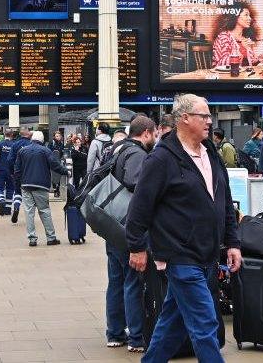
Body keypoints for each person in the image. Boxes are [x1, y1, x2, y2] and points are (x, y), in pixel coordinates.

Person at [125, 94, 241, 363]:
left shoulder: (211, 153)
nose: (210, 122)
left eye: (210, 116)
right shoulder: (162, 159)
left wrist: (232, 242)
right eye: (204, 116)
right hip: (180, 255)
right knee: (205, 323)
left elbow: (223, 202)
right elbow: (140, 207)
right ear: (184, 118)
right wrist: (136, 246)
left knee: (171, 325)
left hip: (208, 254)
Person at [104, 115, 155, 353]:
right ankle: (136, 337)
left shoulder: (116, 150)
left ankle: (114, 333)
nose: (154, 138)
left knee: (116, 281)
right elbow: (136, 187)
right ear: (146, 133)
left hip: (112, 224)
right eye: (153, 134)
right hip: (128, 227)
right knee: (132, 282)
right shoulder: (136, 154)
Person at [13, 131, 67, 247]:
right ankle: (51, 237)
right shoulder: (45, 151)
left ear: (32, 139)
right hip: (41, 185)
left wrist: (19, 184)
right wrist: (65, 171)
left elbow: (17, 170)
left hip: (26, 185)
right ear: (42, 140)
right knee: (44, 211)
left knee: (29, 212)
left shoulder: (22, 151)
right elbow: (55, 165)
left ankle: (32, 238)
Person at [211, 1, 263, 67]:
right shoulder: (223, 37)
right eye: (246, 15)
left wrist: (258, 60)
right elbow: (222, 64)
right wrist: (241, 49)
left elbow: (247, 64)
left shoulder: (245, 38)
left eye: (250, 15)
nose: (250, 18)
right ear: (235, 17)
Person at [0, 130, 17, 216]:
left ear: (4, 134)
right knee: (10, 189)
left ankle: (1, 200)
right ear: (11, 135)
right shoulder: (14, 145)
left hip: (0, 169)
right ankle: (8, 209)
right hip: (11, 170)